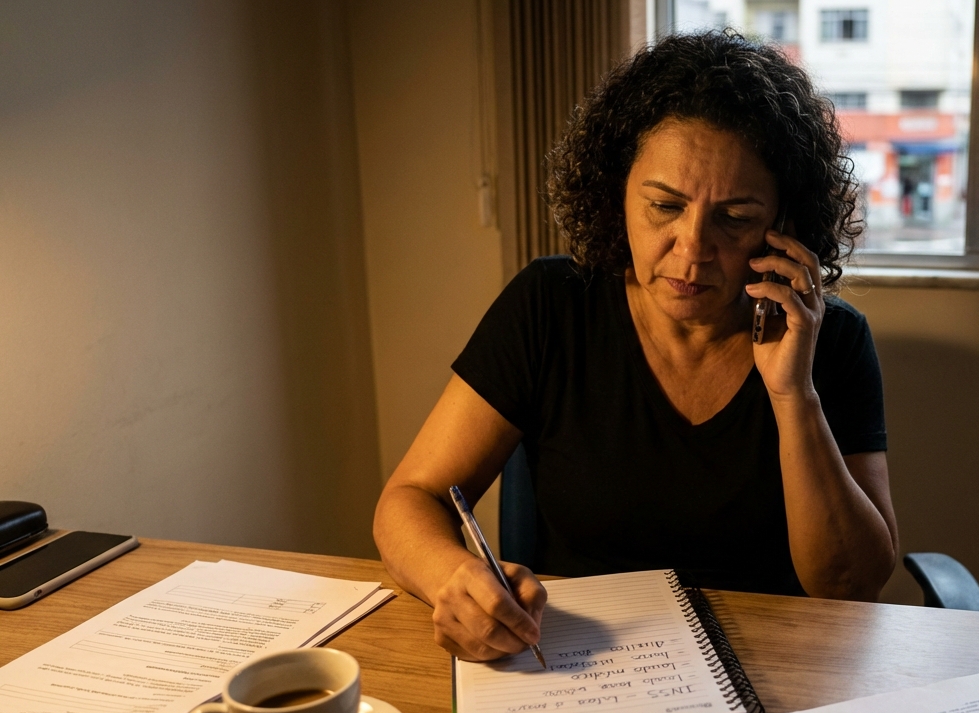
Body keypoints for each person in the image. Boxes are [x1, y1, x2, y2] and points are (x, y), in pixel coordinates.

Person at [373, 31, 898, 662]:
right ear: (614, 192)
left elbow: (849, 586)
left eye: (734, 218)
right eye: (664, 206)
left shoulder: (831, 340)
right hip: (578, 659)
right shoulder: (551, 306)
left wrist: (793, 395)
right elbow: (410, 499)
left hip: (774, 663)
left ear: (783, 225)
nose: (692, 248)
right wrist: (452, 579)